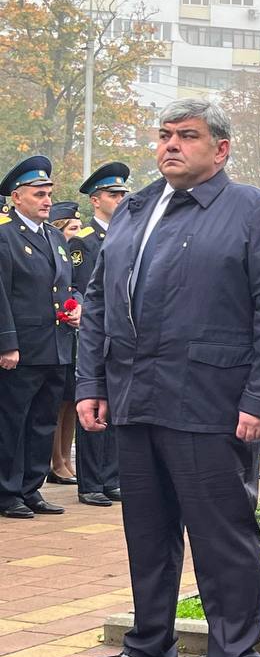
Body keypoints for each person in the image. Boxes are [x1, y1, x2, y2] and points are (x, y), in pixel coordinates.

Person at [74, 99, 260, 657]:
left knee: (221, 533)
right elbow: (97, 301)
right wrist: (90, 383)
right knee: (146, 531)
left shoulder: (251, 210)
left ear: (220, 149)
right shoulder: (137, 207)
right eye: (165, 135)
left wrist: (259, 395)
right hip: (135, 396)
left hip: (212, 399)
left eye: (188, 136)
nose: (172, 145)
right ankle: (150, 648)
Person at [0, 157, 77, 519]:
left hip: (56, 344)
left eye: (49, 194)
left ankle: (32, 488)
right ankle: (7, 491)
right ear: (17, 197)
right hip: (23, 347)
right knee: (13, 421)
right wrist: (6, 342)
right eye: (39, 194)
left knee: (43, 421)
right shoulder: (6, 236)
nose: (47, 200)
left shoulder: (55, 238)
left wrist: (75, 308)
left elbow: (63, 287)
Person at [69, 162, 130, 506]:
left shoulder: (128, 235)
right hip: (95, 333)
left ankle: (111, 476)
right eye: (113, 194)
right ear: (95, 200)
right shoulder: (85, 240)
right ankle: (91, 482)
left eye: (123, 193)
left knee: (117, 407)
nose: (120, 199)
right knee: (92, 402)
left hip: (122, 334)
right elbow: (75, 288)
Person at [47, 202, 84, 488]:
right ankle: (55, 461)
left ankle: (65, 460)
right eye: (72, 228)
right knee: (58, 403)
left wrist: (78, 306)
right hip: (51, 336)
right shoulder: (65, 250)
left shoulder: (62, 250)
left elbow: (75, 288)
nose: (77, 233)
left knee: (71, 400)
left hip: (71, 335)